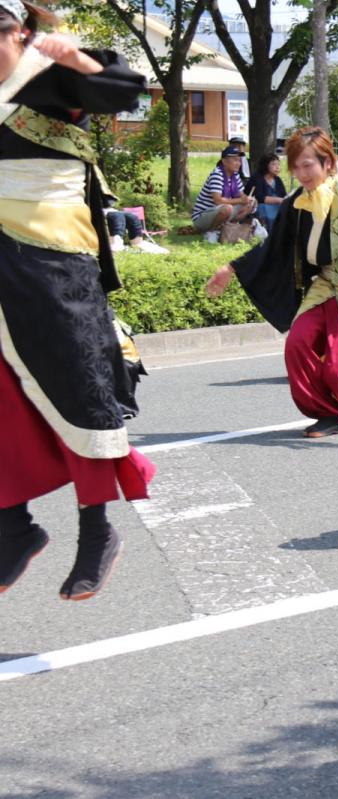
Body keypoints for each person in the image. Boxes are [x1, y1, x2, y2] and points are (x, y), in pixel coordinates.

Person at [0, 5, 155, 601]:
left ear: (20, 33)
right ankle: (14, 527)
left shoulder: (47, 74)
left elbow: (124, 92)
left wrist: (77, 58)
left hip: (52, 260)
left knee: (77, 389)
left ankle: (97, 531)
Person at [206, 127, 338, 438]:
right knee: (297, 343)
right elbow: (273, 245)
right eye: (296, 166)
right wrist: (231, 267)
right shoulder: (296, 203)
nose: (302, 173)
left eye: (308, 165)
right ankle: (325, 414)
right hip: (324, 283)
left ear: (328, 163)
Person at [192, 145, 258, 242]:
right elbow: (218, 201)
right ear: (224, 161)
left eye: (239, 160)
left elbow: (241, 195)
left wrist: (249, 199)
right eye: (235, 160)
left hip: (220, 211)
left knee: (249, 205)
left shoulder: (235, 175)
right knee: (227, 208)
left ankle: (227, 229)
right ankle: (211, 232)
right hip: (202, 216)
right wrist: (241, 200)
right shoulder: (217, 174)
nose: (238, 163)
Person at [104, 200, 168, 254]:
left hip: (110, 211)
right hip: (108, 211)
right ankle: (115, 245)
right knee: (116, 216)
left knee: (131, 217)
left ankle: (137, 244)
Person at [248, 153, 288, 232]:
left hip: (276, 206)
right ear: (265, 165)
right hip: (259, 207)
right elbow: (260, 198)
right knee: (267, 211)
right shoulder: (257, 178)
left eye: (278, 164)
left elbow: (284, 196)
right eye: (273, 164)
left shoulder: (277, 180)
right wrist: (279, 200)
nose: (277, 167)